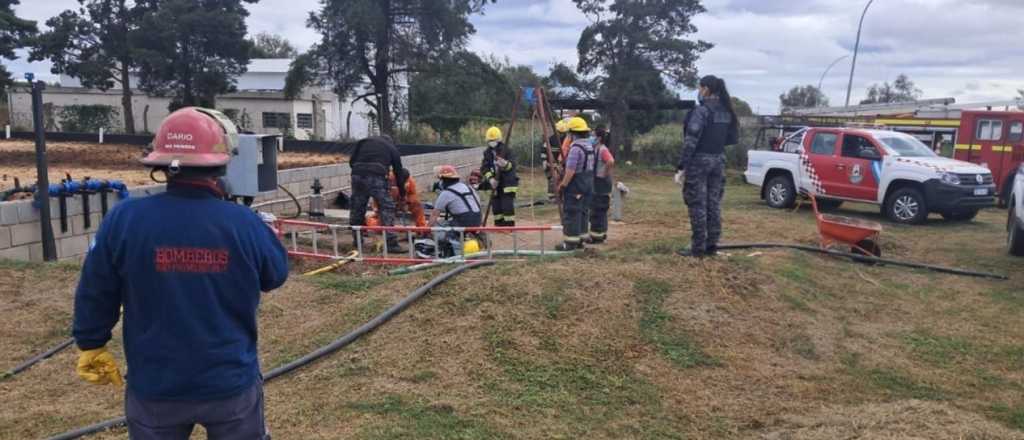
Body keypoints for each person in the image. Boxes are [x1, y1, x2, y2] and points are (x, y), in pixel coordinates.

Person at [73, 107, 289, 439]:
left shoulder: (125, 219)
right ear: (221, 161)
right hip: (228, 383)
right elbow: (275, 275)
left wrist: (91, 342)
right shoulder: (243, 223)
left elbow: (96, 287)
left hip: (155, 385)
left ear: (161, 164)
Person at [675, 75, 739, 258]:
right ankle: (712, 244)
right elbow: (731, 139)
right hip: (718, 161)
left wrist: (681, 166)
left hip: (699, 162)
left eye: (699, 87)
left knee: (697, 204)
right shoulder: (727, 112)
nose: (698, 91)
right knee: (713, 203)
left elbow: (690, 141)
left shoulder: (701, 111)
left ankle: (697, 247)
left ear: (706, 89)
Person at [349, 135, 406, 253]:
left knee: (357, 207)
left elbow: (351, 161)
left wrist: (360, 171)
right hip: (376, 176)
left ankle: (357, 241)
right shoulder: (391, 148)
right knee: (386, 207)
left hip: (357, 174)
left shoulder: (363, 141)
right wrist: (402, 192)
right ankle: (391, 244)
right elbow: (398, 171)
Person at [556, 116, 596, 251]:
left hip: (576, 185)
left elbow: (570, 170)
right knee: (583, 211)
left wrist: (563, 185)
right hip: (588, 184)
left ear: (572, 133)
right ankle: (581, 239)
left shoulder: (575, 148)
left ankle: (570, 242)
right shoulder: (589, 146)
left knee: (572, 212)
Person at [427, 165, 483, 257]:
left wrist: (426, 230)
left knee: (437, 227)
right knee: (449, 222)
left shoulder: (446, 193)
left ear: (443, 180)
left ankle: (454, 247)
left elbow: (434, 215)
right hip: (477, 220)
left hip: (463, 222)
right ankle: (473, 238)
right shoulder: (468, 187)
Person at [480, 126, 519, 226]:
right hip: (495, 184)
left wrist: (505, 164)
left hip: (507, 183)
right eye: (490, 140)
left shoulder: (506, 150)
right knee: (496, 206)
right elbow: (484, 168)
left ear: (499, 139)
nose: (492, 142)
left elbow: (512, 165)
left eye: (494, 140)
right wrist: (491, 179)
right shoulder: (487, 152)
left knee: (507, 206)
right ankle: (499, 225)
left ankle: (509, 225)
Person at [586, 126, 616, 244]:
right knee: (598, 209)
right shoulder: (595, 148)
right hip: (597, 182)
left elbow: (610, 161)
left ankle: (597, 236)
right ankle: (600, 234)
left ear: (599, 138)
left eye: (593, 135)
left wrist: (604, 173)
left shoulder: (603, 149)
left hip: (601, 183)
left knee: (598, 209)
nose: (591, 137)